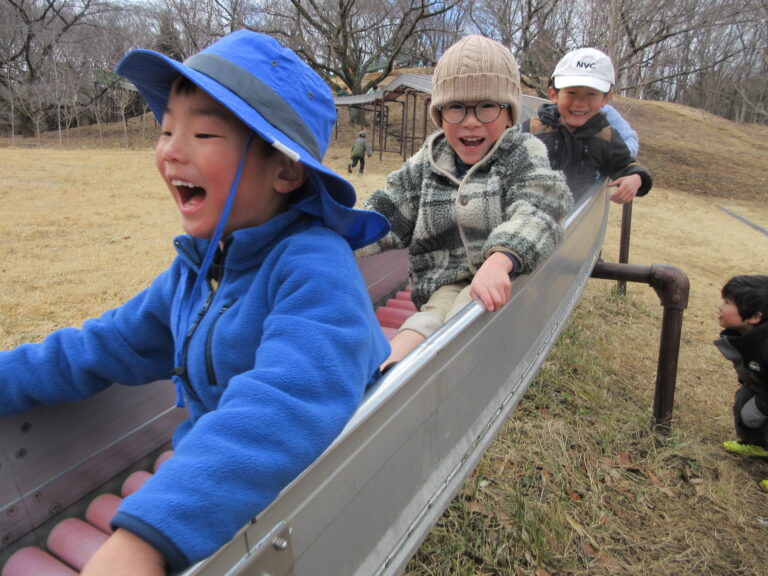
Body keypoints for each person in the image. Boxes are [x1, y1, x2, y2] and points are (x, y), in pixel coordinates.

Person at [0, 31, 391, 575]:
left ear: (285, 170)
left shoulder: (315, 268)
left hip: (310, 491)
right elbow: (100, 346)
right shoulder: (197, 269)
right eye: (165, 129)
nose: (169, 150)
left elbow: (284, 404)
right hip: (213, 482)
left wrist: (143, 540)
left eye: (203, 132)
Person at [358, 34, 572, 369]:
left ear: (509, 113)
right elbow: (388, 210)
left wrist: (501, 260)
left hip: (503, 277)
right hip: (444, 279)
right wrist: (340, 234)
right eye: (456, 107)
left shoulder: (521, 153)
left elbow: (540, 207)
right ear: (440, 114)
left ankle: (446, 377)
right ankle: (387, 373)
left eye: (487, 106)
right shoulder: (427, 163)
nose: (471, 120)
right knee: (429, 319)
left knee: (466, 314)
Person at [521, 47, 652, 204]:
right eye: (571, 93)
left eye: (591, 94)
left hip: (577, 222)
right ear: (553, 95)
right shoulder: (533, 128)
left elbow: (627, 165)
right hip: (528, 214)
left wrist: (636, 178)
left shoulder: (606, 136)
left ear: (605, 99)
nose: (580, 103)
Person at [714, 275, 768, 491]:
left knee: (753, 411)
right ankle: (759, 445)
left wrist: (762, 406)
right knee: (744, 399)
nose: (721, 306)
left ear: (755, 317)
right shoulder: (748, 336)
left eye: (728, 303)